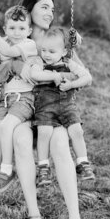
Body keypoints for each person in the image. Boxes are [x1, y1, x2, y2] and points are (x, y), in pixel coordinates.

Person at [0, 0, 88, 219]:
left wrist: (62, 71)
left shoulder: (59, 40)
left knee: (60, 144)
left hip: (50, 111)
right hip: (23, 109)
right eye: (45, 7)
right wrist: (13, 66)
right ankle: (34, 217)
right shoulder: (16, 38)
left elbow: (79, 76)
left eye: (53, 8)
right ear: (30, 10)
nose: (50, 12)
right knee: (20, 140)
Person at [0, 5, 38, 197]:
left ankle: (7, 170)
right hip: (5, 99)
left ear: (28, 31)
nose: (16, 33)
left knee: (5, 127)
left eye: (21, 29)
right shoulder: (3, 40)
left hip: (24, 99)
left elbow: (8, 52)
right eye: (11, 28)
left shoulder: (28, 45)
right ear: (6, 29)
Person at [29, 27, 95, 187]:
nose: (46, 54)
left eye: (51, 51)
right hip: (45, 107)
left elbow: (87, 77)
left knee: (77, 131)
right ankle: (43, 167)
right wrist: (54, 76)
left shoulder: (69, 63)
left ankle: (83, 163)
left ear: (64, 51)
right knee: (44, 133)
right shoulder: (40, 63)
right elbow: (34, 75)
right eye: (43, 50)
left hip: (67, 106)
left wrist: (71, 84)